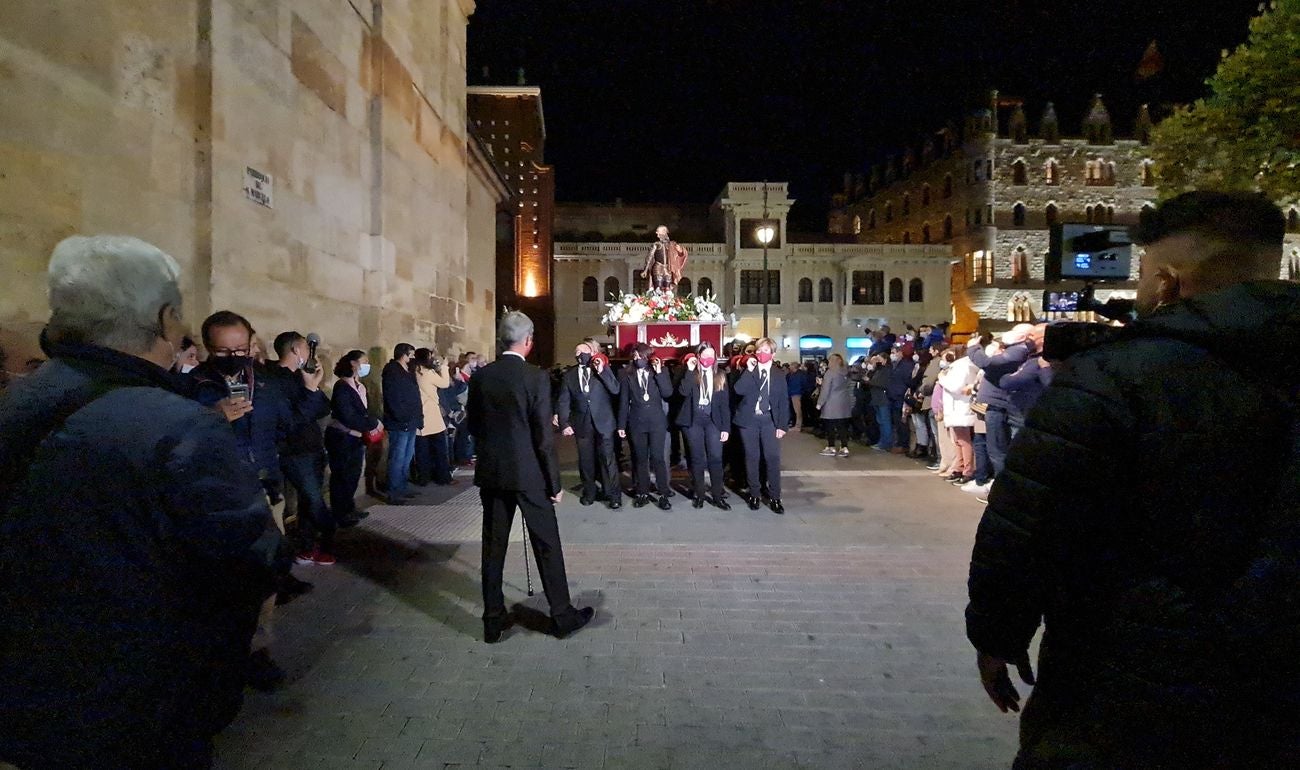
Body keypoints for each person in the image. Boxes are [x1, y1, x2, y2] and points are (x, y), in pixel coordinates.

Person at [968, 191, 1300, 767]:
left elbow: (1031, 521)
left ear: (1167, 282)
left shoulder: (1115, 376)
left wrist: (997, 634)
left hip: (1129, 668)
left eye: (1143, 273)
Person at [0, 235, 281, 769]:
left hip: (29, 690)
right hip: (140, 697)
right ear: (165, 318)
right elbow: (248, 559)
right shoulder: (179, 425)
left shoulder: (19, 400)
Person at [469, 311, 594, 643]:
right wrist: (554, 483)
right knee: (547, 544)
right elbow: (543, 437)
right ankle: (562, 615)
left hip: (493, 473)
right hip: (529, 475)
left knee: (493, 546)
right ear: (528, 340)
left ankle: (493, 619)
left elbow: (474, 425)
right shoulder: (535, 377)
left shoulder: (482, 376)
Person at [267, 331, 334, 566]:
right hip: (294, 451)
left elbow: (323, 408)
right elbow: (292, 421)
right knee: (314, 500)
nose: (309, 351)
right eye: (306, 347)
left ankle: (307, 546)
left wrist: (313, 388)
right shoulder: (275, 380)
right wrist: (310, 392)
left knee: (308, 501)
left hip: (313, 447)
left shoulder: (301, 376)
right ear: (296, 350)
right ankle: (329, 540)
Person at [557, 339, 622, 509]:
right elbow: (563, 401)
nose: (580, 355)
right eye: (577, 352)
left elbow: (615, 389)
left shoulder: (601, 369)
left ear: (592, 353)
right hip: (582, 424)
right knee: (586, 461)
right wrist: (564, 423)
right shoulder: (569, 376)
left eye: (583, 351)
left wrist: (602, 371)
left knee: (607, 460)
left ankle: (613, 494)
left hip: (604, 423)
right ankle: (589, 492)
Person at [967, 323, 1035, 479]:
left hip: (1001, 404)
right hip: (998, 403)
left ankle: (1003, 485)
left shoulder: (1019, 350)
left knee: (998, 450)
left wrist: (973, 349)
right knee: (996, 448)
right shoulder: (1015, 350)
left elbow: (988, 364)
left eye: (1015, 331)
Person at [732, 337, 789, 514]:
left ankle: (775, 497)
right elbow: (738, 390)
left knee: (772, 458)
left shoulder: (779, 374)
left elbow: (783, 401)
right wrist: (749, 371)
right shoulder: (750, 370)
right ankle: (754, 494)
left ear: (773, 354)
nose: (760, 354)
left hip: (769, 420)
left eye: (765, 351)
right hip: (749, 420)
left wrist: (782, 426)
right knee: (752, 457)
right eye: (758, 350)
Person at [326, 350, 380, 527]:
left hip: (355, 437)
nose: (366, 365)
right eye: (363, 362)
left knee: (353, 475)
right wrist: (372, 423)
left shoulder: (359, 386)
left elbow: (362, 412)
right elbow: (347, 416)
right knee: (341, 476)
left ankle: (349, 507)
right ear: (353, 363)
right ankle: (340, 513)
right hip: (342, 437)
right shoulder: (342, 387)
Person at [676, 343, 732, 509]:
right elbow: (683, 392)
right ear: (698, 356)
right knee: (697, 458)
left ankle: (717, 495)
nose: (708, 358)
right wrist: (689, 370)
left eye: (711, 355)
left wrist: (726, 428)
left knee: (715, 457)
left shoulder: (720, 375)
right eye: (705, 355)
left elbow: (725, 405)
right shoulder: (690, 374)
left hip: (713, 421)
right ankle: (699, 494)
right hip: (694, 420)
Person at [618, 343, 674, 510]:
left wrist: (659, 372)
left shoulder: (660, 371)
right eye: (635, 356)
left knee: (658, 458)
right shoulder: (626, 374)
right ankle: (642, 492)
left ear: (648, 357)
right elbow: (623, 401)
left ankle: (663, 493)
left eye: (641, 356)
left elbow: (668, 393)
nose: (638, 359)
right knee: (640, 458)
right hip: (637, 421)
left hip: (656, 421)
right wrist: (621, 424)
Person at [381, 343, 422, 504]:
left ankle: (402, 486)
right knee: (397, 457)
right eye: (411, 354)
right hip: (399, 422)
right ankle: (393, 491)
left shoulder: (409, 371)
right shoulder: (392, 371)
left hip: (411, 421)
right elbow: (393, 397)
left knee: (407, 457)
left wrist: (418, 417)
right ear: (403, 355)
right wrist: (401, 417)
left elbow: (415, 395)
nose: (413, 358)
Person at [412, 347, 455, 487]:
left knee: (422, 449)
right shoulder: (427, 372)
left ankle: (424, 476)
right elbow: (445, 383)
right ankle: (443, 476)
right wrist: (444, 367)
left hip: (419, 413)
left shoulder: (414, 371)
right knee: (440, 448)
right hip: (431, 413)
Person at [938, 346, 978, 484]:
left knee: (963, 441)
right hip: (955, 408)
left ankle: (967, 470)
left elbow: (956, 387)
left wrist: (942, 379)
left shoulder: (962, 367)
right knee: (957, 441)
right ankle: (959, 468)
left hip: (960, 407)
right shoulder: (959, 367)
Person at [817, 353, 854, 457]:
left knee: (830, 425)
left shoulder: (830, 373)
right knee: (842, 426)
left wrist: (820, 403)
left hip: (831, 403)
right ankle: (844, 447)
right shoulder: (845, 372)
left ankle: (831, 447)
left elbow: (826, 390)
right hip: (844, 402)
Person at [641, 225, 688, 293]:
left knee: (667, 290)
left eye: (658, 231)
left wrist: (680, 251)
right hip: (658, 267)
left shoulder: (672, 245)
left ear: (664, 232)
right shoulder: (656, 244)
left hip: (668, 269)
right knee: (658, 289)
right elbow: (649, 257)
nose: (656, 233)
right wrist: (645, 270)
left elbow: (681, 254)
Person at [786, 362, 808, 431]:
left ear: (794, 367)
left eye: (790, 366)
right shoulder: (791, 374)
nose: (789, 367)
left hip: (796, 394)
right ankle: (797, 424)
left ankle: (798, 426)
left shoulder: (800, 374)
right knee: (796, 411)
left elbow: (804, 384)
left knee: (797, 411)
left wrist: (802, 391)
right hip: (792, 393)